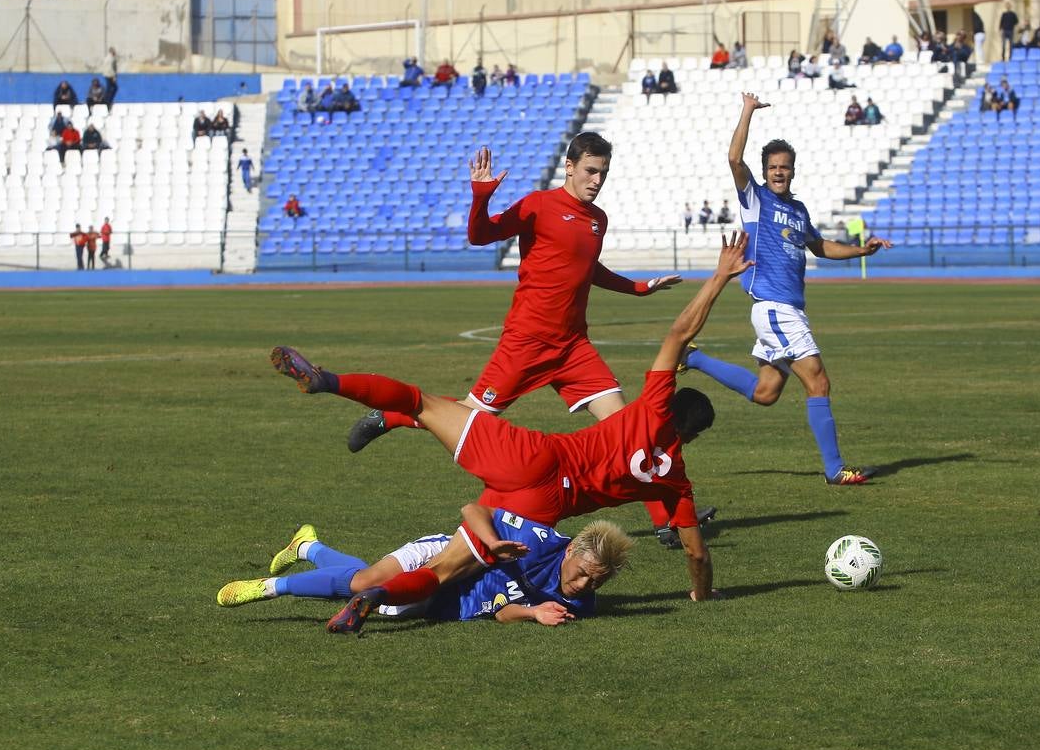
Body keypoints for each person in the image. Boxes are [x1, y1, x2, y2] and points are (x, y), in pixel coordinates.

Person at [270, 233, 754, 610]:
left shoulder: (651, 405)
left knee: (421, 401)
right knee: (445, 571)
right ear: (693, 434)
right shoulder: (678, 484)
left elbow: (679, 330)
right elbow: (696, 554)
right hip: (542, 509)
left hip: (531, 455)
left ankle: (329, 381)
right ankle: (374, 597)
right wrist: (701, 593)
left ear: (670, 404)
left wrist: (718, 278)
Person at [345, 136, 710, 547]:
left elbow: (590, 268)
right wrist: (481, 195)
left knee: (628, 431)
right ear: (569, 167)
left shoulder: (598, 220)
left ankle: (667, 524)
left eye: (603, 173)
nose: (597, 180)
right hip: (528, 341)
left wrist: (640, 287)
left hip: (574, 347)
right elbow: (481, 234)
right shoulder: (538, 204)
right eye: (591, 170)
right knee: (467, 418)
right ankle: (389, 416)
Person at [680, 93, 891, 486]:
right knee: (819, 382)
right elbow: (733, 159)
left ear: (793, 171)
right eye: (773, 167)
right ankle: (835, 470)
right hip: (775, 307)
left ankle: (693, 359)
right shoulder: (755, 200)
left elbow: (821, 246)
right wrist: (746, 110)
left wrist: (862, 249)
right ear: (765, 171)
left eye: (785, 167)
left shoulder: (798, 210)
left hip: (785, 310)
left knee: (766, 392)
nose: (779, 172)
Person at [216, 516, 631, 632]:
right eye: (583, 574)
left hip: (442, 601)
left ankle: (307, 546)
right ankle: (270, 588)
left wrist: (534, 613)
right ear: (572, 549)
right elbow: (477, 509)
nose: (584, 586)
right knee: (365, 585)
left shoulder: (580, 604)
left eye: (597, 582)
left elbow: (502, 612)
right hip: (445, 556)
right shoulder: (537, 540)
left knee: (366, 584)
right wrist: (489, 541)